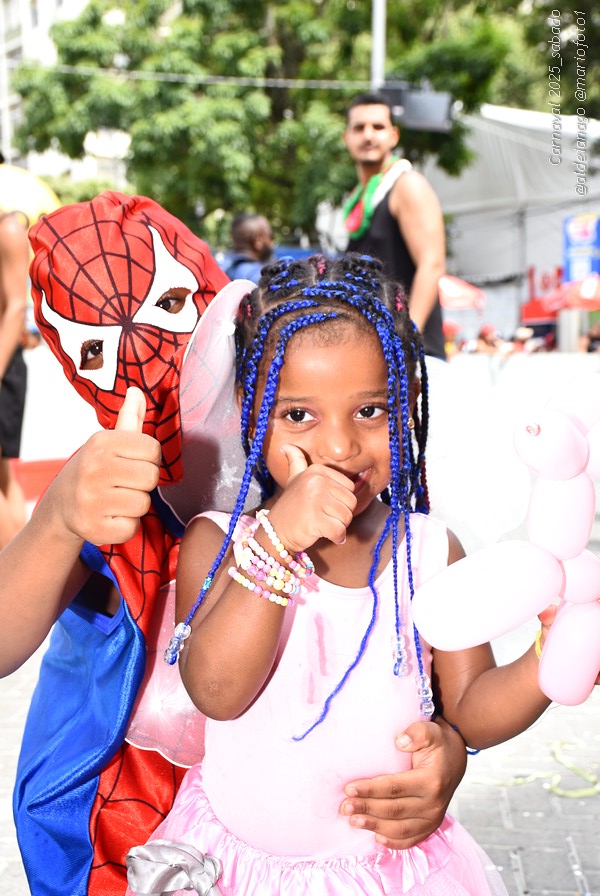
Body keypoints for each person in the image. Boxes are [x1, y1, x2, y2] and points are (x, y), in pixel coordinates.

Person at [5, 194, 467, 896]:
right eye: (97, 349)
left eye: (171, 306)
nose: (147, 354)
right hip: (127, 824)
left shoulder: (342, 471)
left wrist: (448, 753)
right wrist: (60, 519)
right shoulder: (113, 490)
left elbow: (416, 675)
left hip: (324, 838)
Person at [126, 253, 554, 896]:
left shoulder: (429, 552)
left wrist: (553, 657)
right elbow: (217, 691)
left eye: (370, 411)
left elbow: (471, 710)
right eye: (298, 415)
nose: (339, 447)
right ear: (250, 409)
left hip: (389, 874)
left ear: (407, 403)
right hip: (242, 870)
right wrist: (278, 542)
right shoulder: (219, 545)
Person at [343, 93, 446, 361]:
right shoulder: (359, 199)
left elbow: (432, 264)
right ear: (346, 137)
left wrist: (406, 341)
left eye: (378, 127)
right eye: (359, 127)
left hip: (414, 358)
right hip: (375, 358)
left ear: (394, 135)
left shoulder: (407, 184)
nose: (368, 135)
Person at [0, 207, 29, 548]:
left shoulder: (8, 229)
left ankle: (10, 569)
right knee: (4, 475)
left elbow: (17, 306)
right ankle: (25, 560)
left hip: (4, 362)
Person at [222, 212, 274, 282]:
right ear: (258, 241)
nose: (272, 242)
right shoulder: (260, 277)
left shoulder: (221, 268)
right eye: (271, 236)